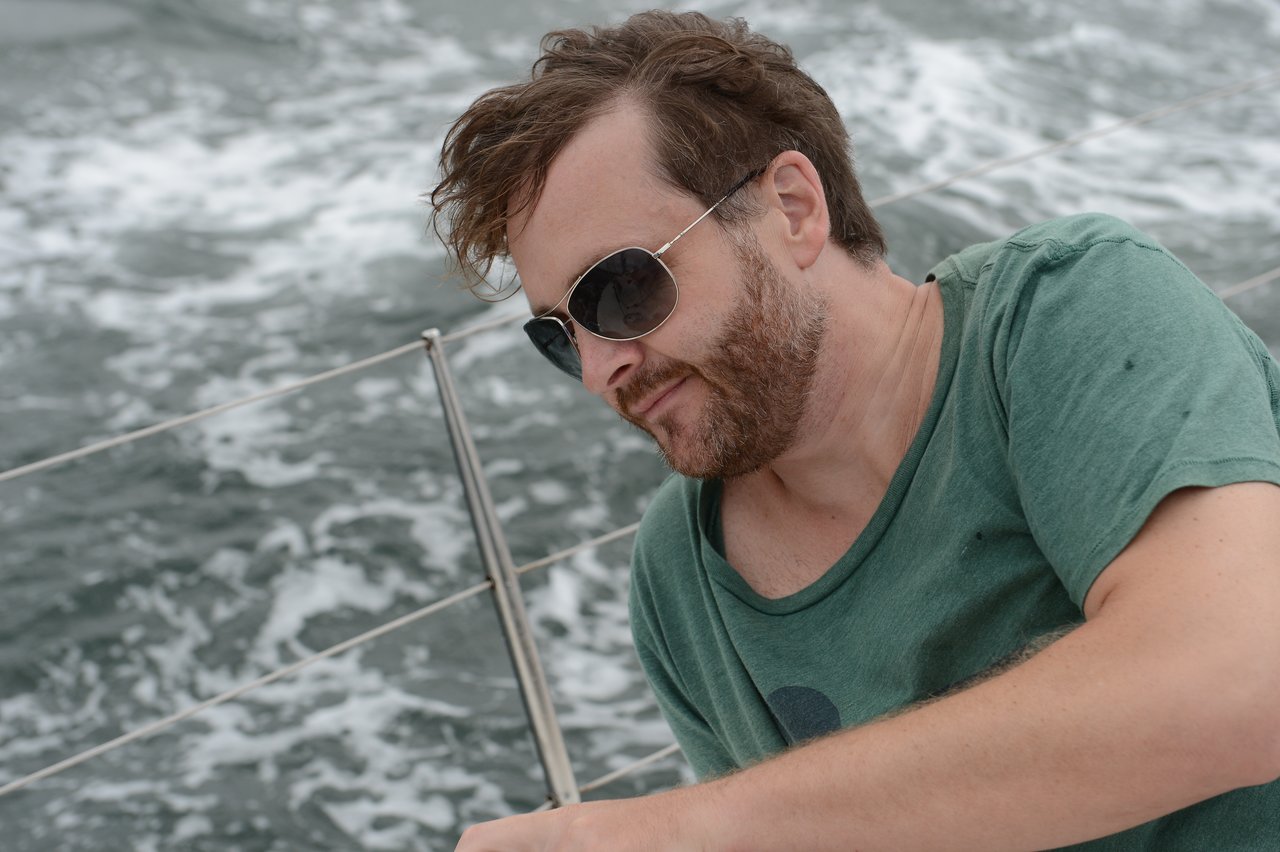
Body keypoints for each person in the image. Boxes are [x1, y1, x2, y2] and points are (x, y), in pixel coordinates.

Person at [430, 10, 1280, 850]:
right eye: (559, 333)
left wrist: (676, 830)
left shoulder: (1066, 308)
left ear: (793, 209)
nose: (596, 369)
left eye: (616, 292)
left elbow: (1239, 681)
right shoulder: (678, 578)